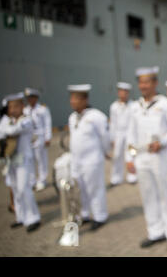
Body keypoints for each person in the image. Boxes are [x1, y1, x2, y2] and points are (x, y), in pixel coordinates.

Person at [126, 67, 167, 255]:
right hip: (142, 158)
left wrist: (163, 141)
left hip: (161, 156)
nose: (143, 86)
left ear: (155, 83)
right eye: (141, 82)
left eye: (147, 82)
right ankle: (156, 231)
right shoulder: (135, 106)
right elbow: (130, 134)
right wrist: (129, 158)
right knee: (148, 195)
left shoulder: (166, 104)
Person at [68, 84, 110, 230]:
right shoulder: (72, 117)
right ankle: (84, 214)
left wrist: (106, 151)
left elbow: (105, 137)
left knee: (95, 189)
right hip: (77, 161)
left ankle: (100, 216)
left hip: (92, 160)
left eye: (76, 99)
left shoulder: (96, 116)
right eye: (71, 98)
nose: (72, 102)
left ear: (85, 99)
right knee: (80, 189)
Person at [0, 92, 41, 232]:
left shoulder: (26, 120)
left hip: (23, 159)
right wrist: (6, 129)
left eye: (16, 106)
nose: (13, 109)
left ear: (22, 106)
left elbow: (14, 130)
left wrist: (6, 130)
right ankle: (21, 217)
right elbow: (0, 132)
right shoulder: (8, 120)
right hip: (11, 159)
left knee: (24, 188)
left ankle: (33, 218)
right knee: (15, 189)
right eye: (10, 107)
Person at [23, 87, 52, 191]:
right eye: (28, 98)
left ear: (36, 98)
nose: (29, 100)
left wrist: (48, 137)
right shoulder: (25, 110)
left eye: (31, 97)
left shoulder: (42, 109)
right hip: (28, 139)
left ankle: (42, 180)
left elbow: (48, 124)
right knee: (30, 160)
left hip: (40, 137)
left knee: (41, 160)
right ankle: (32, 181)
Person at [109, 82, 136, 186]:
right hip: (118, 133)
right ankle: (116, 178)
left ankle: (132, 176)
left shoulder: (133, 105)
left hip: (130, 132)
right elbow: (113, 123)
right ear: (118, 93)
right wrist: (112, 138)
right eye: (121, 91)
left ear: (128, 93)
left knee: (131, 154)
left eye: (125, 92)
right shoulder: (114, 106)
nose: (123, 94)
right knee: (117, 155)